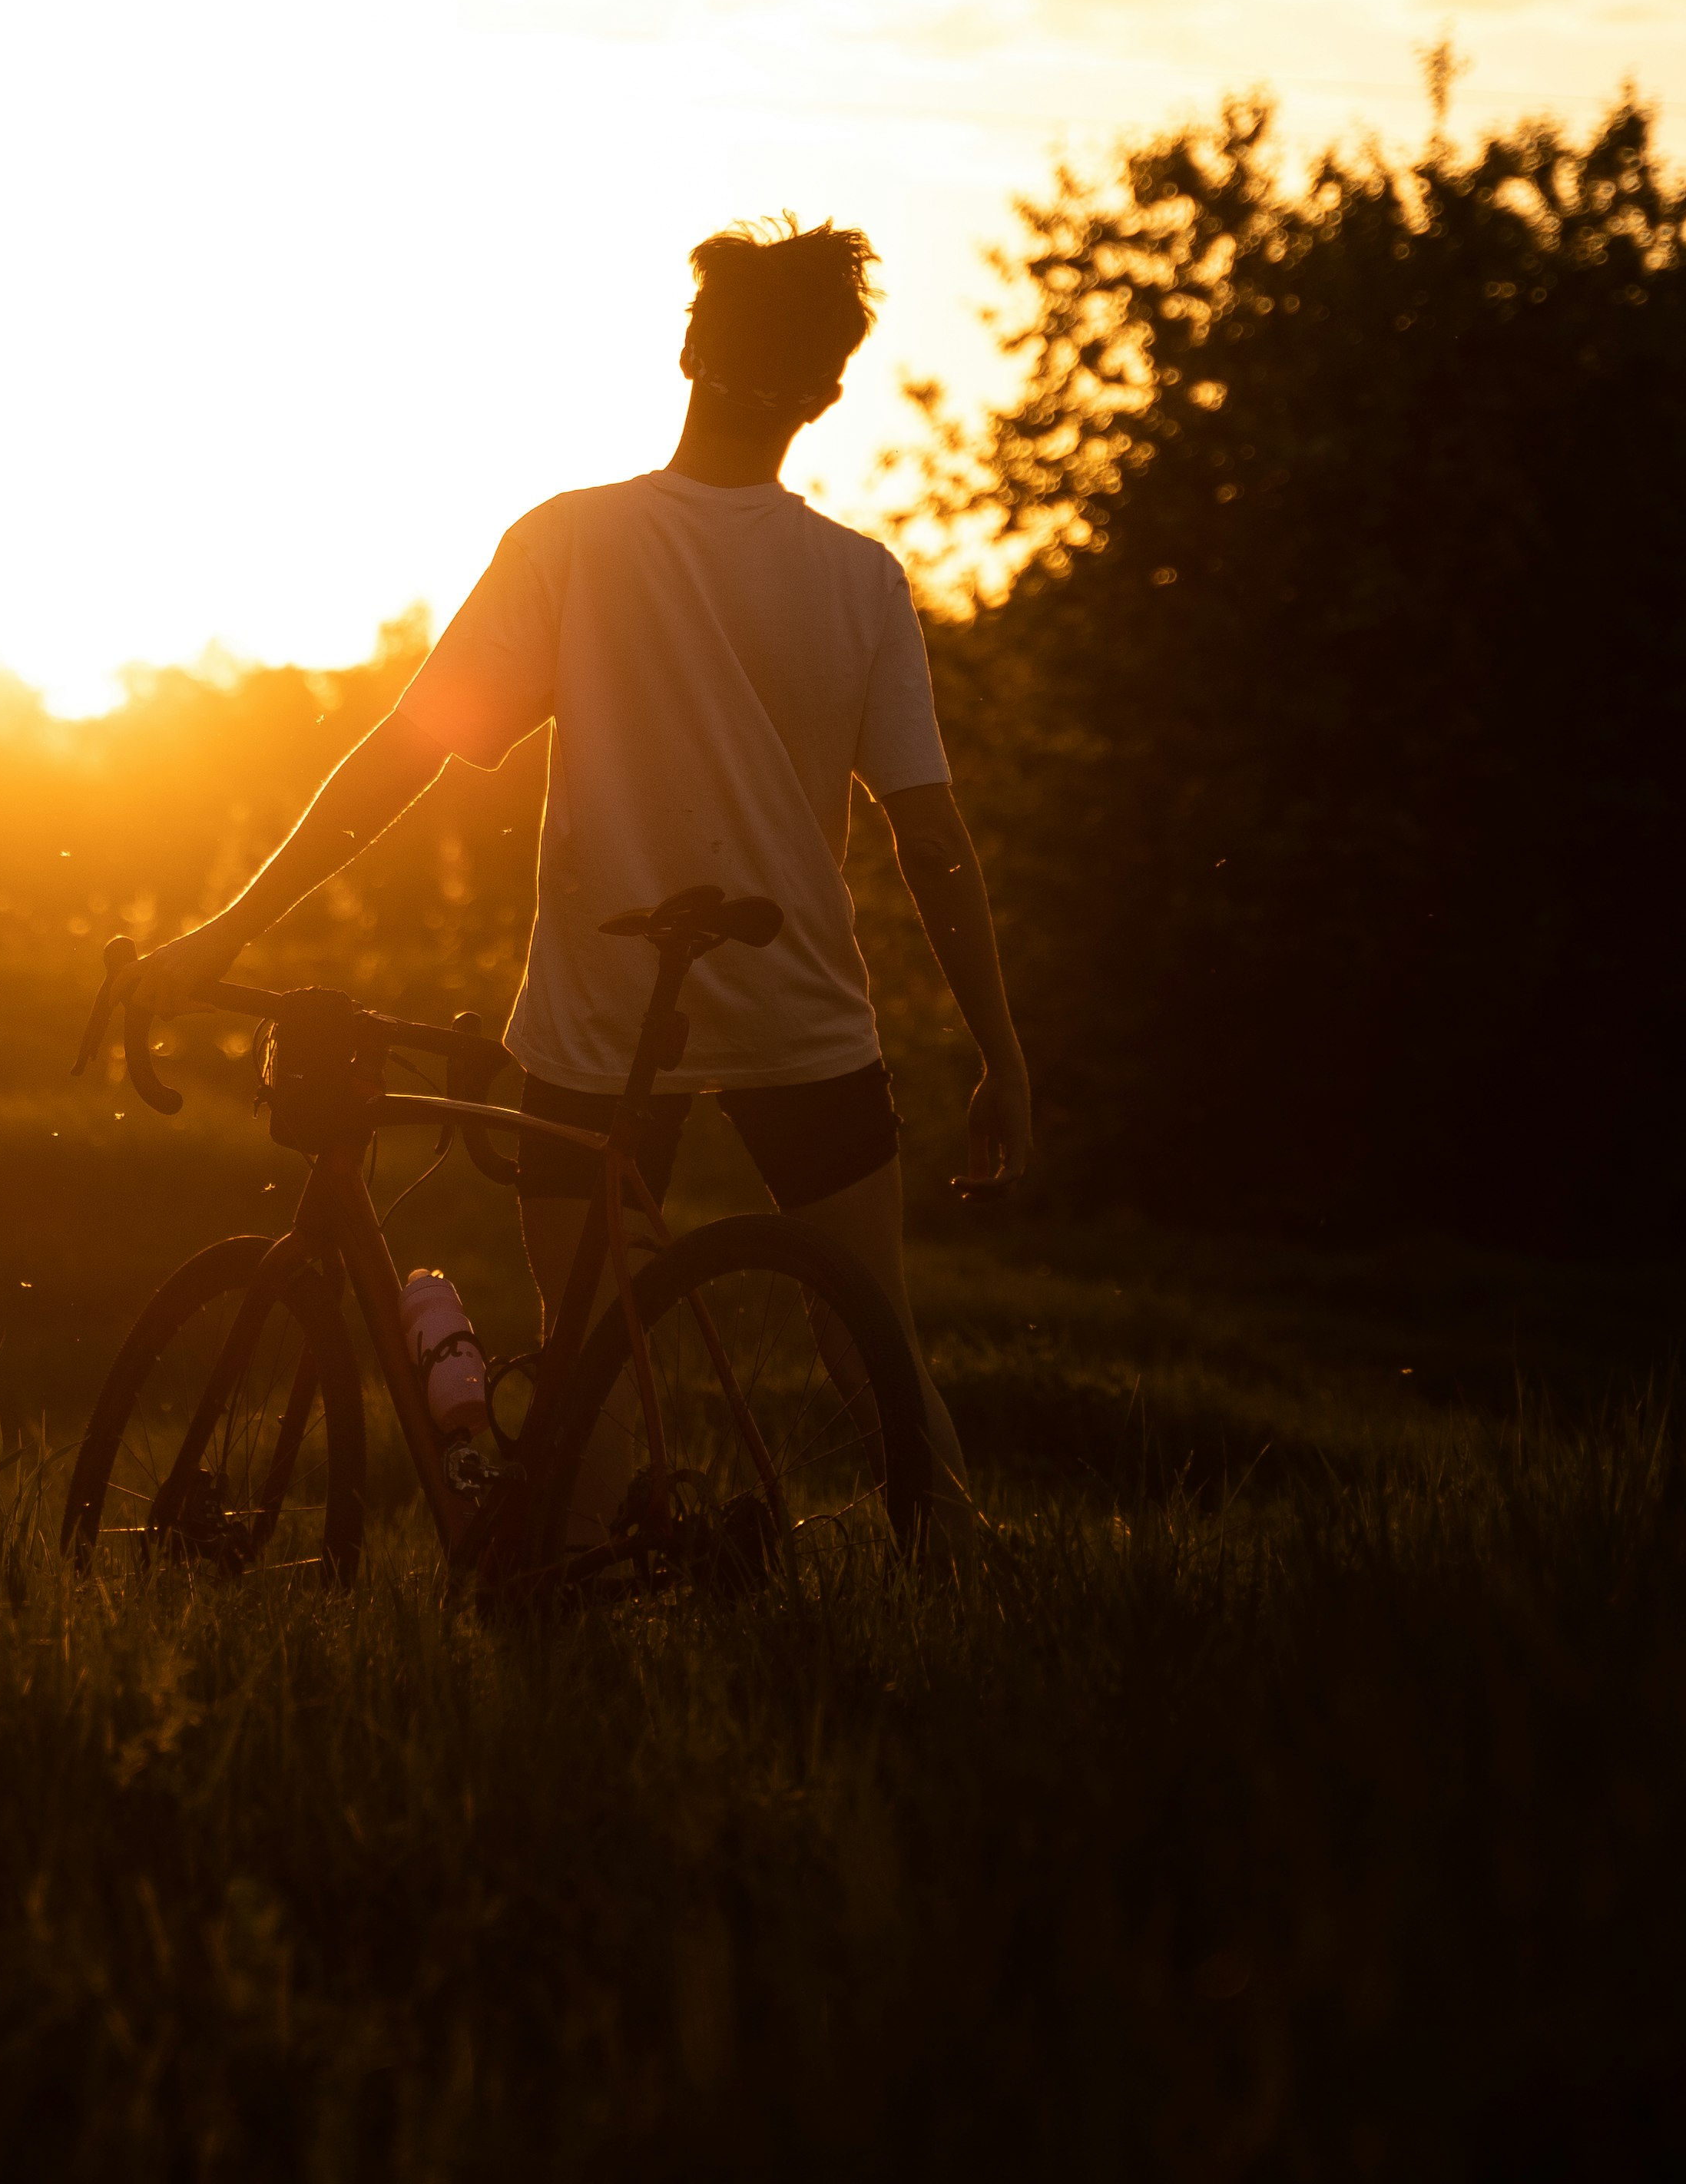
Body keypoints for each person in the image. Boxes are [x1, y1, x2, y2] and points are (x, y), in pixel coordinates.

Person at [121, 218, 1032, 1498]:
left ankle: (577, 1606)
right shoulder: (861, 580)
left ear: (686, 352)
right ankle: (958, 1595)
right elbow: (929, 837)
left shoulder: (571, 543)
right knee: (870, 1339)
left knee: (593, 1356)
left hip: (597, 1025)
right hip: (804, 1014)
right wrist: (1000, 1050)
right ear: (828, 397)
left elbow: (405, 755)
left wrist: (226, 931)